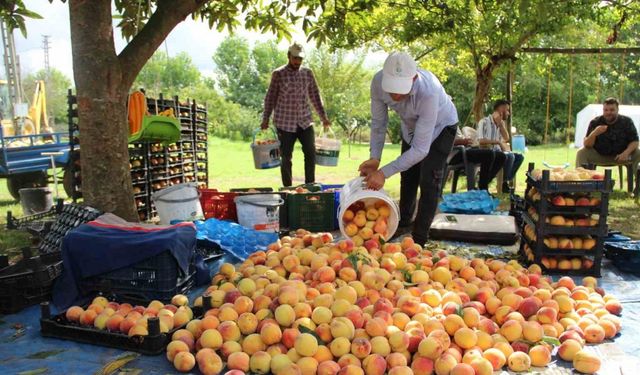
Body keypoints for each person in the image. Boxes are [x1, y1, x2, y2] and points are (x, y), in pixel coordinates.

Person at [359, 52, 459, 247]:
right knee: (408, 174)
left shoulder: (428, 91)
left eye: (401, 89)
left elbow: (421, 150)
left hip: (442, 127)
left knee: (429, 179)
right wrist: (375, 158)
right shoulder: (377, 83)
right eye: (392, 89)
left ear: (413, 78)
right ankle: (404, 223)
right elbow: (379, 123)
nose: (396, 95)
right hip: (411, 127)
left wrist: (383, 173)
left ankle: (419, 239)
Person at [261, 42, 331, 187]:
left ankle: (310, 185)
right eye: (295, 58)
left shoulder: (307, 73)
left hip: (305, 121)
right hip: (285, 123)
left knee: (310, 154)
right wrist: (266, 118)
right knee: (286, 157)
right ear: (288, 56)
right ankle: (287, 188)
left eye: (300, 59)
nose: (297, 62)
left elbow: (315, 96)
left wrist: (323, 117)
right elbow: (271, 97)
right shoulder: (279, 74)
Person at [576, 97, 640, 174]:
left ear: (617, 110)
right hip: (600, 155)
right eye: (605, 110)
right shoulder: (595, 122)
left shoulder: (626, 121)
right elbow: (587, 145)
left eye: (612, 110)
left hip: (621, 156)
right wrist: (594, 133)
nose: (608, 112)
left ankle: (638, 183)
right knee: (581, 153)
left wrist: (626, 153)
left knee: (638, 152)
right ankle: (583, 183)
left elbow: (635, 141)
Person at [476, 99, 523, 191]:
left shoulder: (500, 123)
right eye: (507, 110)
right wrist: (497, 142)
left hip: (499, 151)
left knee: (519, 157)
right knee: (509, 157)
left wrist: (501, 126)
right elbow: (481, 141)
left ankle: (504, 181)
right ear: (501, 110)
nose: (508, 113)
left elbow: (506, 138)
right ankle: (502, 184)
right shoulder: (484, 122)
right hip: (488, 152)